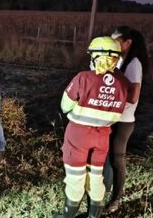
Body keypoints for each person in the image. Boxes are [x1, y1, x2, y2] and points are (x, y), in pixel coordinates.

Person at [55, 36, 130, 218]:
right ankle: (94, 215)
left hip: (78, 135)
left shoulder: (83, 78)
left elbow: (65, 106)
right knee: (96, 176)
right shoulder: (123, 83)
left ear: (96, 57)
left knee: (75, 177)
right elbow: (118, 112)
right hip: (103, 136)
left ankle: (68, 216)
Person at [103, 26, 150, 213]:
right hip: (114, 117)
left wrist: (110, 95)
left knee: (117, 159)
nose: (112, 45)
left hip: (123, 120)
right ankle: (105, 192)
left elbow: (133, 96)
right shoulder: (123, 60)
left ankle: (115, 200)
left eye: (116, 42)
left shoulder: (134, 64)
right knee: (108, 156)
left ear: (127, 42)